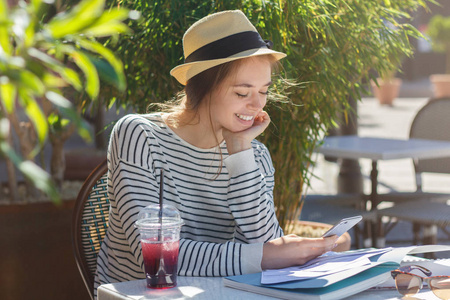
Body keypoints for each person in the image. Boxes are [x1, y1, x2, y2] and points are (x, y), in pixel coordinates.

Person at [94, 10, 344, 297]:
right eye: (242, 93)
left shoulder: (254, 157)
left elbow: (265, 248)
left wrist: (239, 153)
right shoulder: (139, 136)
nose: (256, 105)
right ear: (201, 87)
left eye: (263, 91)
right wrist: (261, 256)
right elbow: (157, 259)